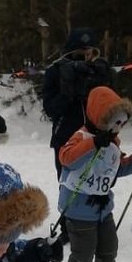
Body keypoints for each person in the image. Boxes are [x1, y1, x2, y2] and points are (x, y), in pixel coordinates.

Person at [58, 86, 132, 262]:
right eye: (115, 122)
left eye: (122, 123)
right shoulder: (81, 136)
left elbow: (116, 168)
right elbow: (66, 159)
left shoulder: (112, 143)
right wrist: (92, 144)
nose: (118, 128)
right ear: (100, 117)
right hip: (79, 208)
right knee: (83, 251)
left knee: (108, 247)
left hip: (103, 208)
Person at [42, 28, 113, 178]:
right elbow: (50, 109)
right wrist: (68, 93)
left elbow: (111, 107)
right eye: (81, 53)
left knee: (98, 186)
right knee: (68, 187)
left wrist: (104, 81)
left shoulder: (97, 71)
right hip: (66, 139)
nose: (86, 57)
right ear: (71, 51)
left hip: (96, 137)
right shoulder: (56, 72)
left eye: (90, 53)